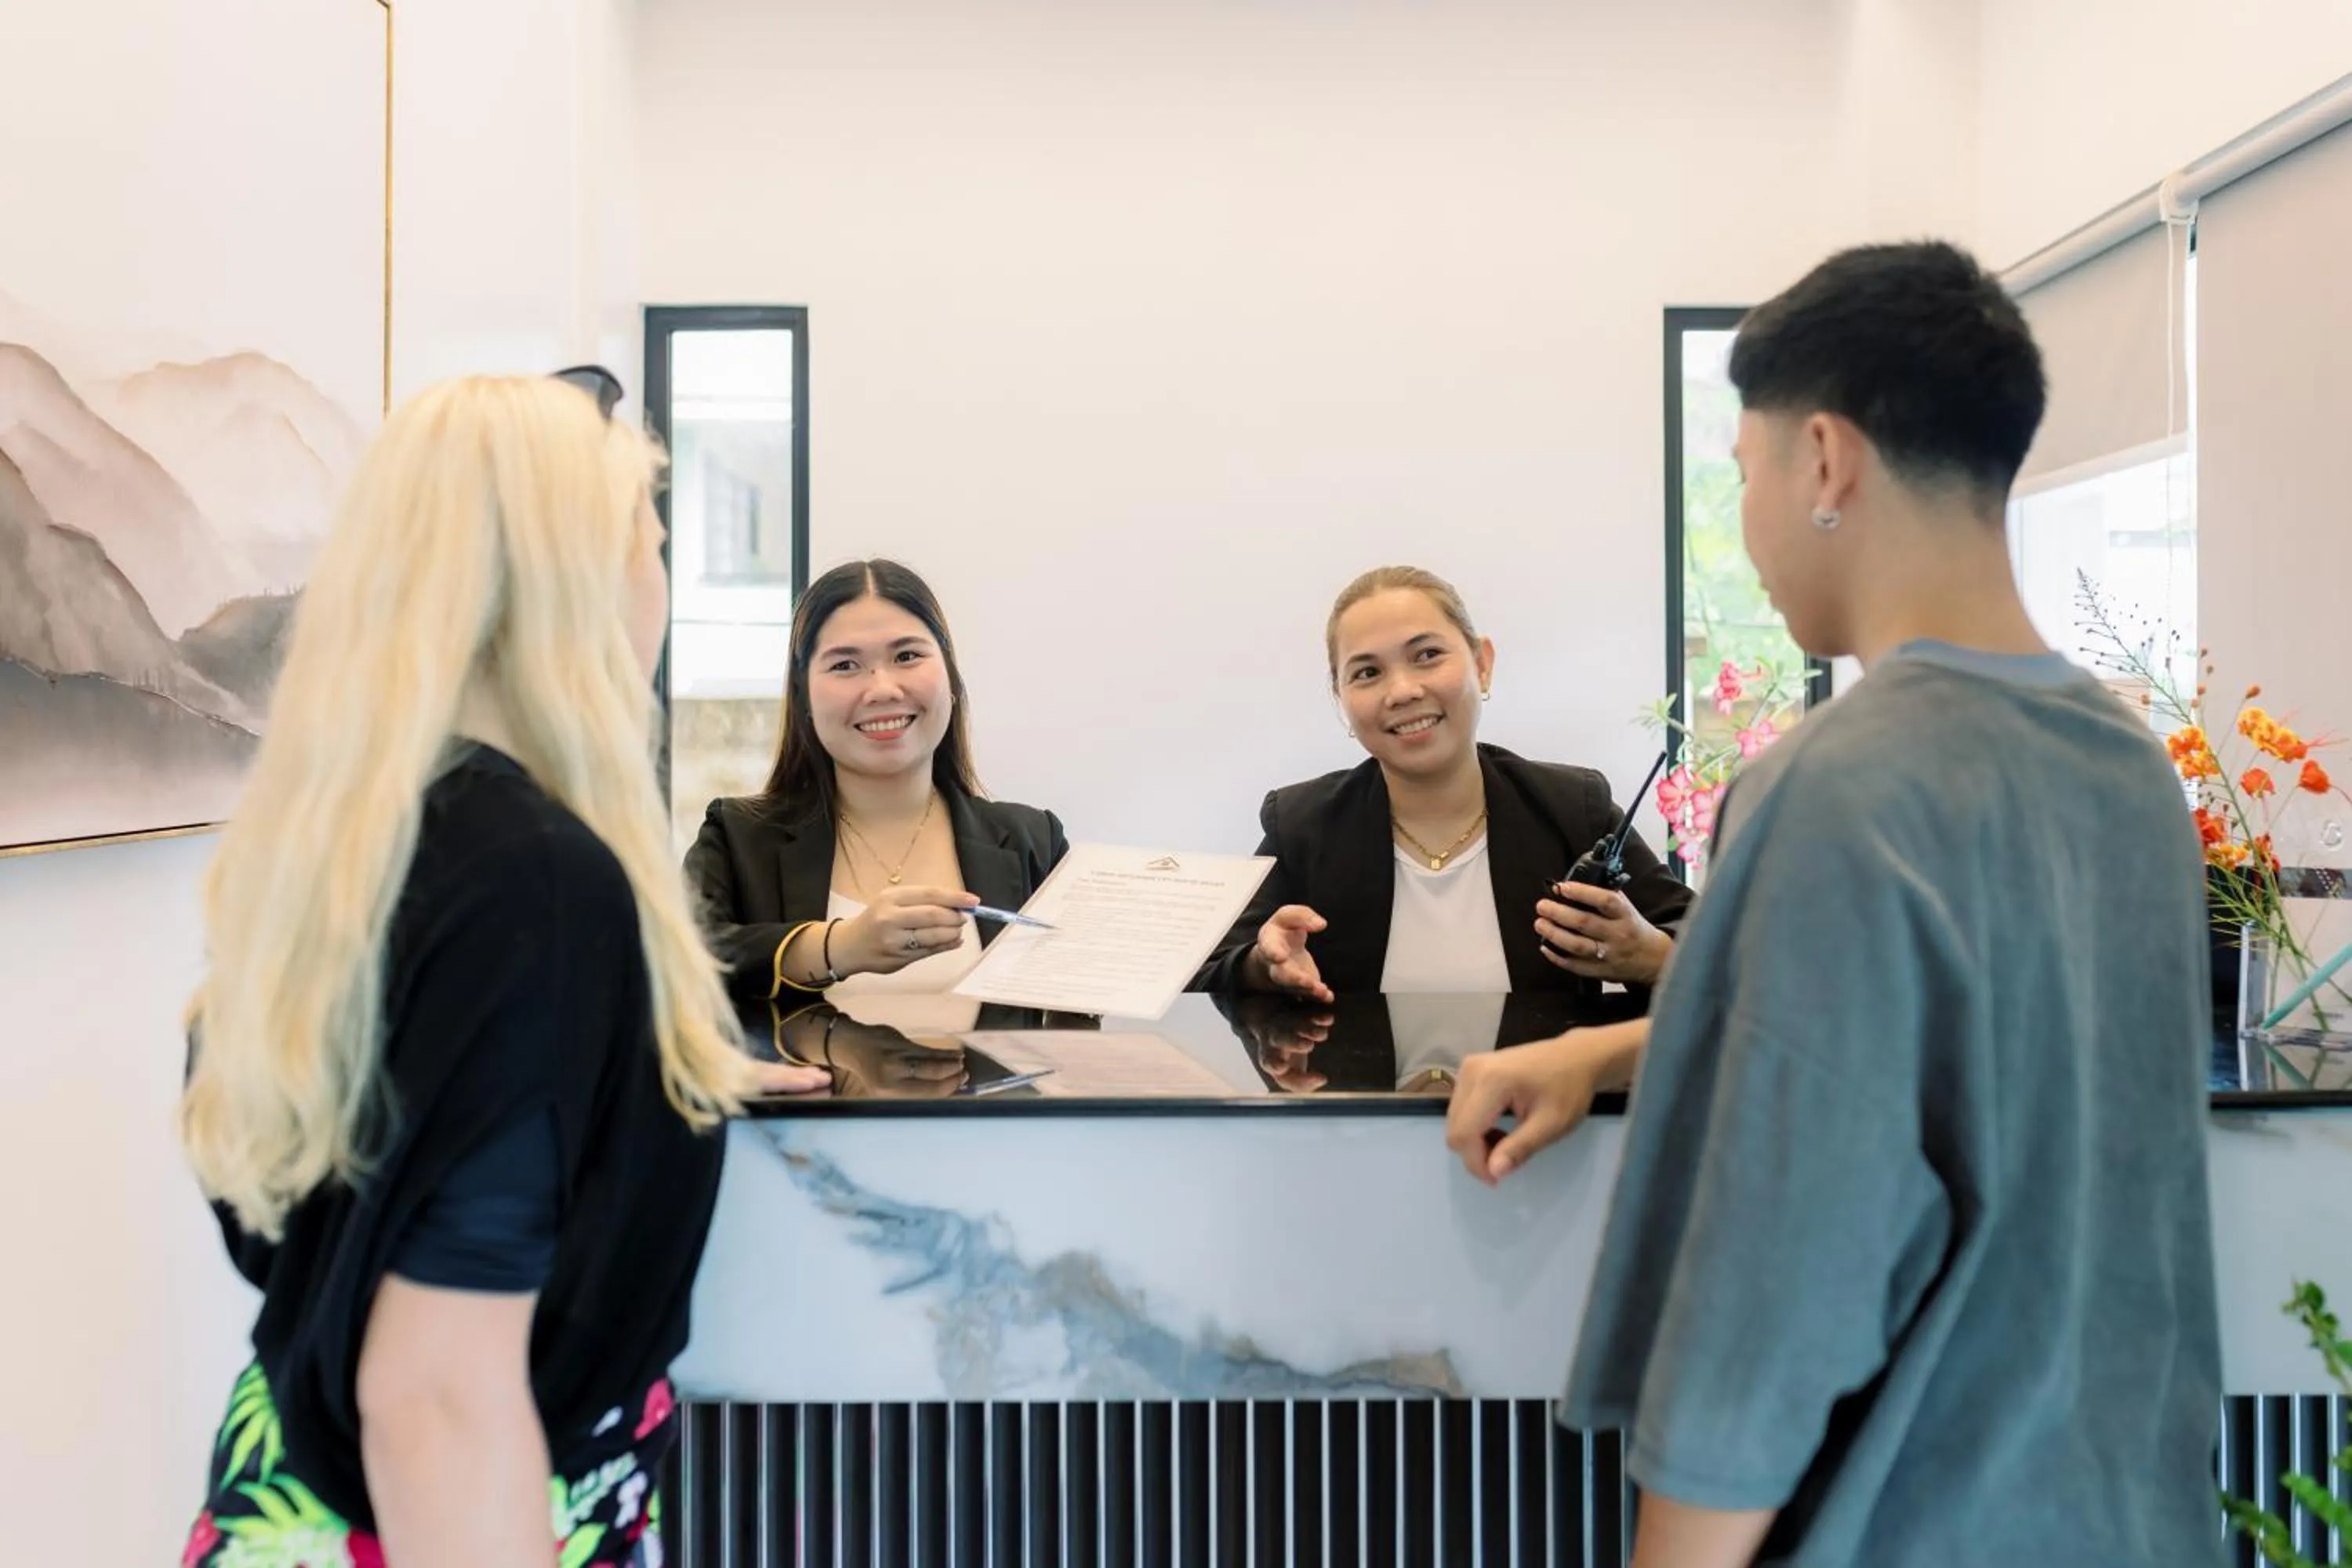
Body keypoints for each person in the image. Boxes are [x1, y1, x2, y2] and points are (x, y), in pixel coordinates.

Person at [1445, 242, 2223, 1566]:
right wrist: (1610, 1045)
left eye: (1741, 472)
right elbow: (1960, 1047)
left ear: (1824, 461)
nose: (1743, 522)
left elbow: (1772, 1302)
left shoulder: (1832, 788)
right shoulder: (2130, 771)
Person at [178, 371, 826, 1567]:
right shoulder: (538, 881)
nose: (660, 584)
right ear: (576, 584)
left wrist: (631, 1081)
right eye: (652, 544)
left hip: (289, 1490)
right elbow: (439, 1401)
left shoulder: (360, 841)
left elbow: (376, 1173)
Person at [1196, 564, 1691, 1002]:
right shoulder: (1303, 824)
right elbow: (1213, 970)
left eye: (1428, 655)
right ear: (1341, 699)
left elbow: (1710, 949)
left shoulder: (1570, 808)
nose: (1403, 691)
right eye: (1367, 672)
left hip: (1532, 1105)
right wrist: (1265, 967)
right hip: (1360, 1107)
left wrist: (1650, 956)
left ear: (1483, 663)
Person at [686, 559, 1067, 1007]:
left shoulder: (1032, 842)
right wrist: (838, 948)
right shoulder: (737, 837)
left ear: (951, 678)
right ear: (804, 696)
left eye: (907, 656)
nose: (882, 689)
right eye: (845, 665)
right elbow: (678, 967)